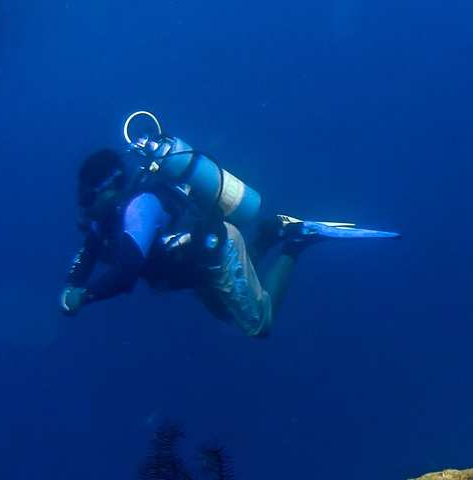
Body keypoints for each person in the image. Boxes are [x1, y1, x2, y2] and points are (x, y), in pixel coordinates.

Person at [60, 113, 397, 337]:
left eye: (92, 192)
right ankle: (271, 232)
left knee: (258, 325)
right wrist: (72, 286)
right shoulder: (102, 222)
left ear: (112, 186)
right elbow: (87, 255)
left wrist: (86, 296)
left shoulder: (140, 208)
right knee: (224, 312)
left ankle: (296, 240)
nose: (85, 200)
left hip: (217, 251)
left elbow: (126, 272)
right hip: (199, 265)